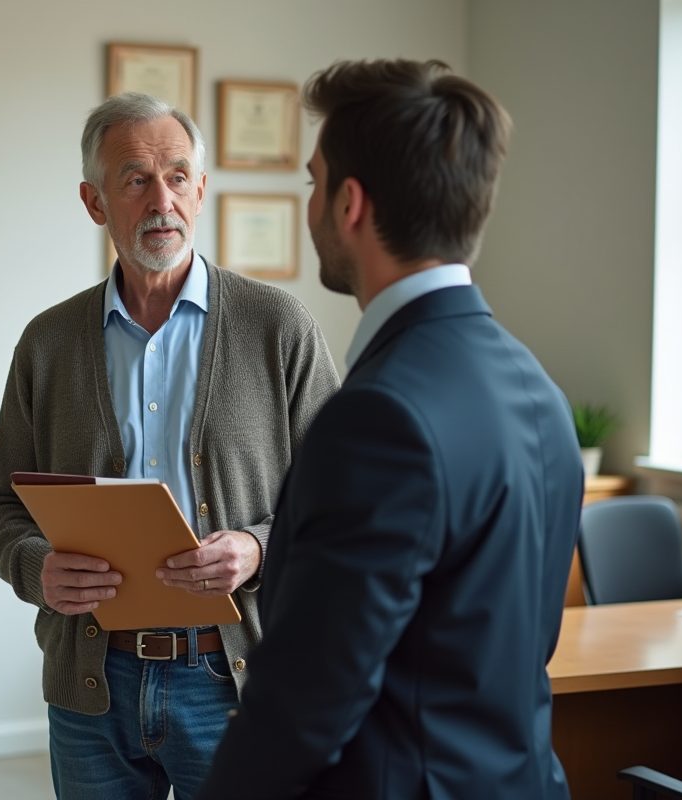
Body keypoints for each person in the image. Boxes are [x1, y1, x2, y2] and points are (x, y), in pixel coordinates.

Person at [197, 60, 584, 800]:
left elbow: (306, 704)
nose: (309, 206)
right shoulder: (538, 389)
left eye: (313, 182)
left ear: (350, 203)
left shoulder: (381, 418)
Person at [0, 92, 339, 800]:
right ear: (94, 201)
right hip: (91, 685)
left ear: (200, 190)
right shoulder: (47, 344)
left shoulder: (279, 327)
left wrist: (260, 548)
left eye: (177, 175)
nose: (160, 198)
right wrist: (34, 565)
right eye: (135, 178)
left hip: (234, 684)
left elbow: (344, 507)